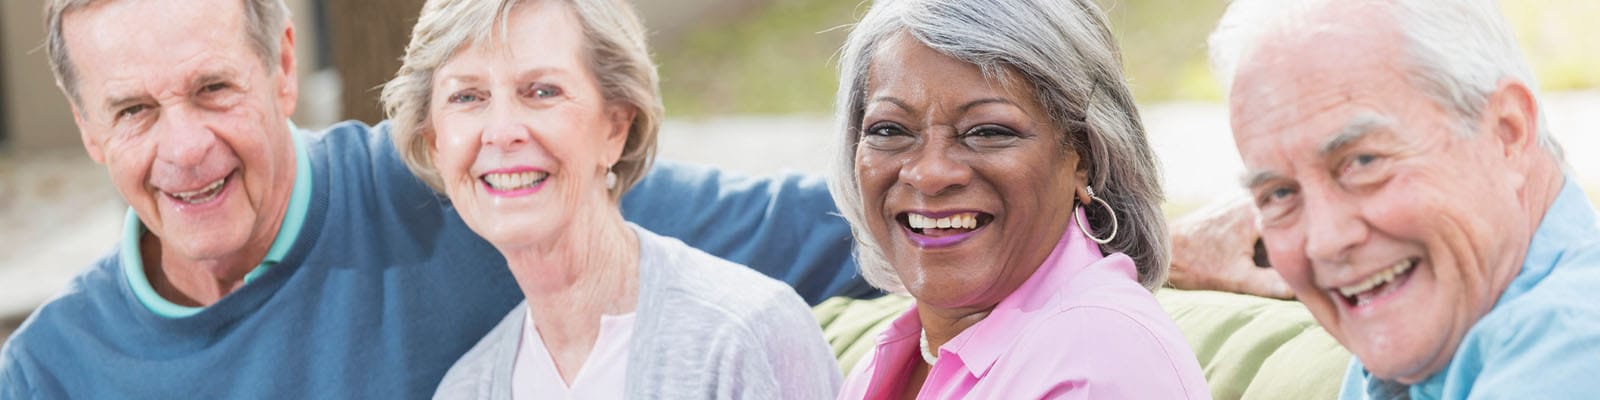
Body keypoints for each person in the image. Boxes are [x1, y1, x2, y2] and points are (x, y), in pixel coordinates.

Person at [0, 0, 858, 397]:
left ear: (284, 68)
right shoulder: (51, 373)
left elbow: (820, 229)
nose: (185, 148)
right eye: (135, 111)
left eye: (214, 89)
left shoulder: (466, 184)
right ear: (86, 127)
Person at [380, 0, 839, 397]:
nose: (502, 132)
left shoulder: (745, 335)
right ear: (436, 143)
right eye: (467, 96)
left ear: (615, 127)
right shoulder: (468, 390)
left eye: (542, 91)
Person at [1209, 0, 1600, 397]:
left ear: (1507, 133)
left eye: (1363, 162)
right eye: (1279, 193)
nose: (1326, 241)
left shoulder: (1573, 348)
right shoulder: (1450, 327)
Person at [828, 0, 1210, 398]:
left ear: (1085, 156)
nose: (929, 174)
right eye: (889, 131)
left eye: (987, 131)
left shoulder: (1095, 365)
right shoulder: (900, 351)